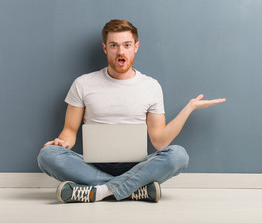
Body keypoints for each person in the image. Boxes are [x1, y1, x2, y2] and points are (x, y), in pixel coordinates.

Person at [37, 19, 226, 203]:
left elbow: (160, 141)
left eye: (127, 45)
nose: (121, 51)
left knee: (178, 155)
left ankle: (100, 191)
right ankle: (133, 190)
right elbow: (70, 130)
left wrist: (189, 107)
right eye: (114, 46)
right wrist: (62, 143)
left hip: (137, 166)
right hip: (92, 164)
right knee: (48, 155)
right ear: (105, 48)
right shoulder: (83, 83)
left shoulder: (150, 86)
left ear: (136, 47)